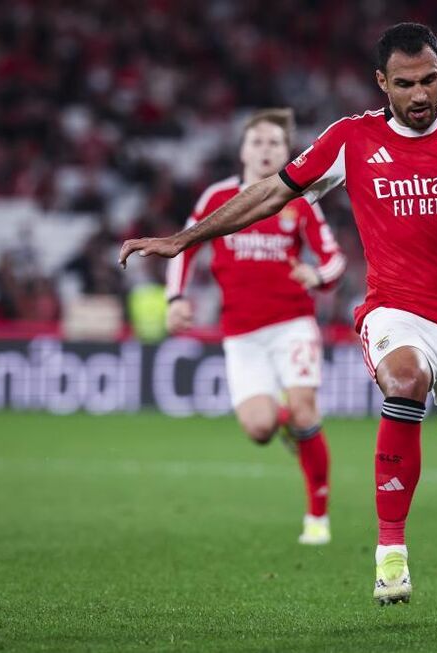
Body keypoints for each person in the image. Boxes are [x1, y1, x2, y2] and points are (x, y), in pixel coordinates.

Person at [119, 23, 437, 627]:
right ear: (382, 83)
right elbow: (271, 193)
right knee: (405, 379)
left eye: (429, 80)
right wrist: (182, 239)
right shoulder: (352, 139)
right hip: (395, 311)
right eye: (405, 84)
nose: (419, 95)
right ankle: (391, 549)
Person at [165, 108, 345, 545]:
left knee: (305, 408)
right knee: (259, 429)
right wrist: (175, 298)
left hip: (293, 325)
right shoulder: (217, 198)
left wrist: (317, 277)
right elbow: (185, 247)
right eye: (257, 142)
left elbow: (333, 259)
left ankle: (317, 516)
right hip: (242, 332)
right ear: (243, 149)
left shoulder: (298, 201)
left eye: (274, 144)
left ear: (287, 153)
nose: (265, 150)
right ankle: (286, 424)